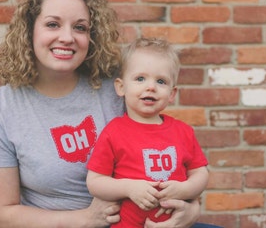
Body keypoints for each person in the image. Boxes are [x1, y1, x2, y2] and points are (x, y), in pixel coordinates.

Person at [0, 0, 201, 228]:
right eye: (52, 24)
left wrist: (191, 209)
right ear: (29, 29)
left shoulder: (118, 86)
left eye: (80, 28)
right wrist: (84, 219)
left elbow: (172, 155)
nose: (67, 37)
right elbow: (0, 214)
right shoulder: (3, 109)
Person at [86, 37, 209, 227]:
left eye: (161, 81)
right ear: (121, 87)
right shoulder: (114, 132)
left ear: (172, 93)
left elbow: (200, 173)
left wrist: (185, 189)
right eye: (140, 78)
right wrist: (128, 188)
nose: (150, 86)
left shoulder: (183, 132)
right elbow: (95, 182)